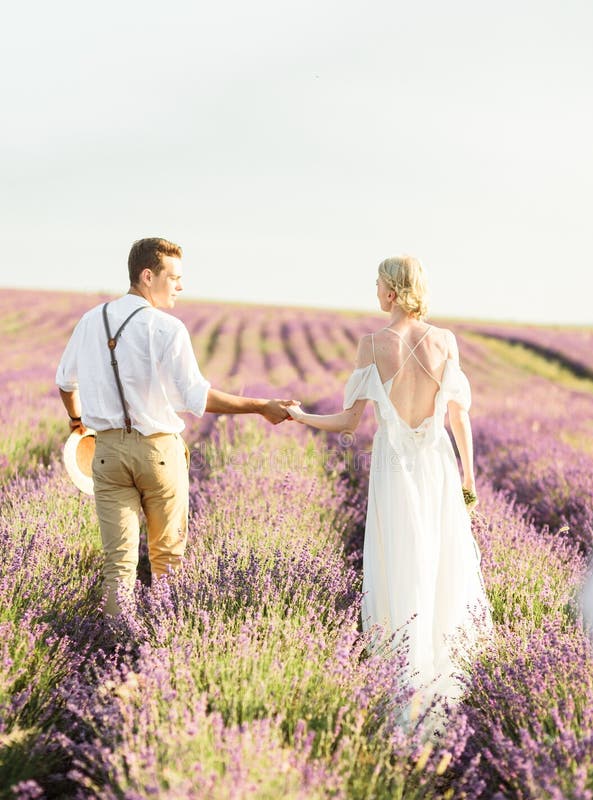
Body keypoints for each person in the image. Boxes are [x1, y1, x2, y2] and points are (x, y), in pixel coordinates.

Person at [287, 256, 491, 710]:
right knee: (441, 562)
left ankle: (403, 680)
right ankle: (447, 682)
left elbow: (348, 420)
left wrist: (301, 416)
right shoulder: (445, 341)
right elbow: (460, 417)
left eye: (379, 284)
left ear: (393, 291)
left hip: (393, 465)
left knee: (400, 561)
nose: (376, 292)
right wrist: (469, 477)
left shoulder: (374, 345)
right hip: (438, 464)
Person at [56, 237, 292, 619]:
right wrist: (261, 406)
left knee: (118, 563)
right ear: (148, 276)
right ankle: (163, 645)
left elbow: (66, 382)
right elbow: (198, 398)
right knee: (168, 558)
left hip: (107, 454)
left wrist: (77, 422)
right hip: (158, 453)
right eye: (174, 277)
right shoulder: (167, 328)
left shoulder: (90, 320)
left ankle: (119, 641)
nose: (180, 287)